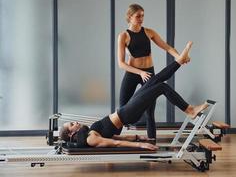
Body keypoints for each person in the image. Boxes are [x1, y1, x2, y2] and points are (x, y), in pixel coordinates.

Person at [60, 42, 207, 150]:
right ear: (72, 134)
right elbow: (116, 143)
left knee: (155, 80)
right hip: (127, 114)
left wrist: (137, 136)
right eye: (71, 125)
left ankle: (179, 61)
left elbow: (114, 137)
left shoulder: (90, 133)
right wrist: (140, 144)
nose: (75, 122)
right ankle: (189, 110)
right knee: (161, 87)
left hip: (125, 111)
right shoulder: (91, 139)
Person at [118, 3, 188, 140]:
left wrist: (180, 57)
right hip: (133, 74)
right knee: (121, 109)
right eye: (138, 16)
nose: (141, 19)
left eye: (142, 16)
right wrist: (140, 73)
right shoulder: (123, 36)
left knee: (150, 112)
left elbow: (167, 47)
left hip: (149, 73)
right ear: (130, 17)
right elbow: (121, 64)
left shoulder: (149, 32)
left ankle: (152, 143)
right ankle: (111, 141)